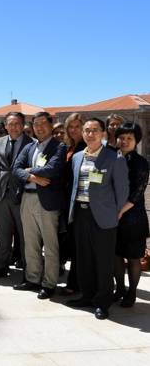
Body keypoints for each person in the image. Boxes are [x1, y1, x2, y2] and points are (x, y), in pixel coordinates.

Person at [67, 118, 128, 320]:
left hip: (103, 217)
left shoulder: (114, 159)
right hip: (80, 213)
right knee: (83, 259)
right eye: (86, 130)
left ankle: (102, 301)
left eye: (95, 130)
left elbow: (122, 192)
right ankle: (87, 295)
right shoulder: (77, 157)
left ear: (103, 133)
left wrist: (115, 212)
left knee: (103, 261)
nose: (90, 134)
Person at [12, 112, 66, 299]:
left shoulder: (59, 146)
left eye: (44, 123)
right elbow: (15, 168)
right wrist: (32, 176)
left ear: (51, 125)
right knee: (30, 242)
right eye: (36, 124)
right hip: (27, 198)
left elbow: (52, 169)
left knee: (50, 244)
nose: (40, 127)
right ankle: (32, 278)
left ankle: (49, 283)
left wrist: (27, 170)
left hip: (47, 202)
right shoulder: (28, 147)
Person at [0, 112, 33, 280]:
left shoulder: (32, 144)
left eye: (17, 124)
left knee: (26, 236)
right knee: (2, 232)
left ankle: (29, 272)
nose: (13, 127)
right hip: (1, 193)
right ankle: (1, 266)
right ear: (5, 126)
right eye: (10, 124)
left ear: (23, 125)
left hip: (23, 194)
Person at [113, 122, 148, 308]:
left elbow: (137, 193)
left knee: (134, 257)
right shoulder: (112, 158)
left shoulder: (141, 163)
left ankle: (132, 292)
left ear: (136, 141)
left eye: (129, 138)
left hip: (133, 217)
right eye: (122, 137)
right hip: (114, 216)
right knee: (116, 255)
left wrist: (120, 212)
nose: (125, 141)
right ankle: (120, 289)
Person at [61, 113, 87, 295]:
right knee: (72, 243)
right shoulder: (70, 147)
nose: (74, 130)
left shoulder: (86, 148)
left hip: (79, 203)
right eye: (70, 126)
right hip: (67, 200)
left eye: (78, 126)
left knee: (79, 246)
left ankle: (75, 283)